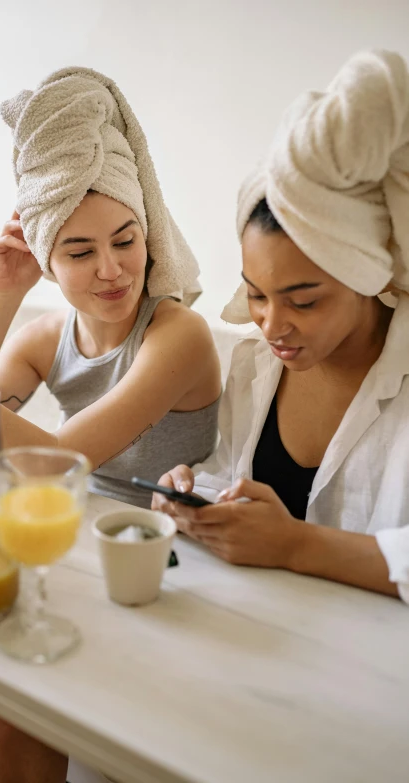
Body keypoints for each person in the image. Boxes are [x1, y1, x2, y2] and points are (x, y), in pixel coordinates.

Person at [0, 68, 221, 783]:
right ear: (46, 259)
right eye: (78, 251)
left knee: (8, 713)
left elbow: (63, 458)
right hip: (74, 551)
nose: (112, 269)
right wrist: (4, 297)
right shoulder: (47, 334)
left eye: (126, 239)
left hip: (162, 568)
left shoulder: (177, 333)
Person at [154, 49, 409, 603]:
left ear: (365, 275)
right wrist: (197, 496)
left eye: (304, 301)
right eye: (256, 294)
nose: (273, 325)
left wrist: (297, 545)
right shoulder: (256, 365)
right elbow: (235, 480)